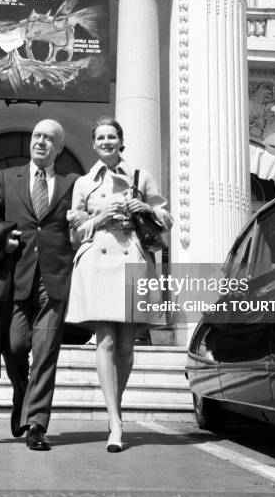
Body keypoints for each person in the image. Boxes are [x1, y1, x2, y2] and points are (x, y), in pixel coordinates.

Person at [66, 116, 173, 452]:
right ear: (94, 144)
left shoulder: (140, 176)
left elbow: (166, 219)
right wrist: (101, 216)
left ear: (120, 141)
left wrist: (146, 208)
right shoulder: (84, 183)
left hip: (132, 260)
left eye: (112, 136)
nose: (107, 142)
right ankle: (115, 421)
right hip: (98, 260)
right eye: (101, 138)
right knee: (107, 341)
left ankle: (115, 405)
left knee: (127, 347)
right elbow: (73, 232)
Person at [0, 119, 78, 451]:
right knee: (13, 347)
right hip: (16, 278)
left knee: (45, 353)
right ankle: (22, 396)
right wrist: (0, 238)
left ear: (59, 148)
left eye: (49, 138)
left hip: (55, 280)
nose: (41, 141)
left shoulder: (73, 183)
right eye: (37, 136)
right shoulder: (7, 178)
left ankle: (36, 424)